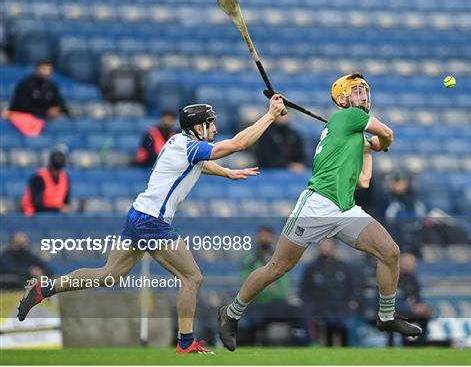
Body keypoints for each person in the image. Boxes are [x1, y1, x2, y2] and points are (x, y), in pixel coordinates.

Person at [17, 95, 286, 354]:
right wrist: (269, 116)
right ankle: (185, 343)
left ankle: (46, 287)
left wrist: (226, 172)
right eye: (211, 123)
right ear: (198, 127)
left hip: (138, 215)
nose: (215, 128)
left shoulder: (178, 142)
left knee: (108, 275)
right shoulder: (190, 147)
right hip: (152, 222)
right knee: (192, 277)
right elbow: (237, 144)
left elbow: (200, 164)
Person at [218, 72, 422, 352]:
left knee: (390, 253)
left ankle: (386, 317)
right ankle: (231, 313)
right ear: (342, 99)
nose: (363, 96)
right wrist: (379, 144)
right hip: (316, 205)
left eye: (365, 91)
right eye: (357, 91)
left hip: (345, 209)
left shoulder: (352, 130)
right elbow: (387, 134)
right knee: (277, 268)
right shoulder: (349, 118)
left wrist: (368, 149)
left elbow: (363, 181)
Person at [299, 239, 354, 346]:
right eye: (323, 245)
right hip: (319, 310)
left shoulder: (343, 267)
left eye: (328, 245)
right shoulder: (311, 268)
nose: (325, 248)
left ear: (334, 247)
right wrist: (311, 308)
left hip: (340, 310)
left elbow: (350, 289)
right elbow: (304, 291)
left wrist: (346, 306)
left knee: (347, 325)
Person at [395, 253, 432, 346]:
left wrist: (422, 308)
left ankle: (421, 345)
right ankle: (403, 344)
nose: (409, 267)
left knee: (425, 316)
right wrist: (410, 309)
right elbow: (393, 300)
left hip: (409, 312)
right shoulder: (393, 278)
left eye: (411, 265)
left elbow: (418, 298)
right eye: (406, 264)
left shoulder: (413, 280)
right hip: (394, 311)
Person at [21, 145, 70, 216]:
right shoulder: (39, 177)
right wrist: (58, 209)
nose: (59, 159)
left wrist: (63, 209)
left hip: (56, 216)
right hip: (34, 217)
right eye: (57, 157)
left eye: (61, 157)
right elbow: (37, 205)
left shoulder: (65, 177)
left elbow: (66, 202)